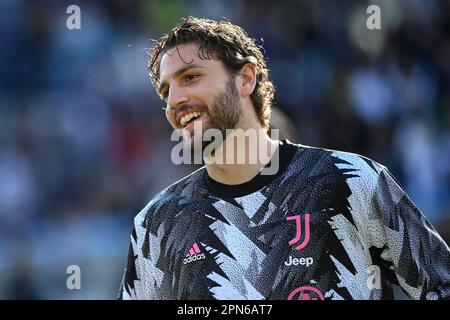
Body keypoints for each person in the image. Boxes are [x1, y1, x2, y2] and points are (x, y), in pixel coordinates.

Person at [118, 16, 450, 300]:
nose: (175, 99)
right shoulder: (156, 225)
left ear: (245, 78)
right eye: (166, 91)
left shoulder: (351, 180)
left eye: (191, 77)